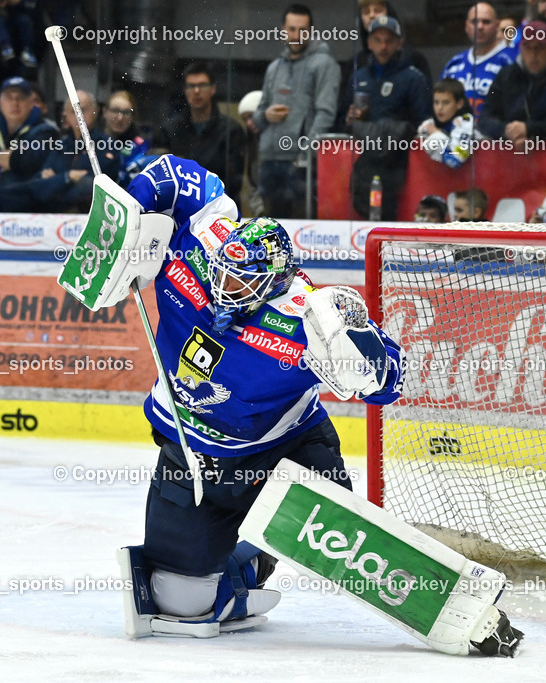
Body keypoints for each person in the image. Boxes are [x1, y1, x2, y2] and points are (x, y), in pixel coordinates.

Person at [116, 154, 405, 635]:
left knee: (324, 529)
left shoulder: (306, 318)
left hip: (284, 453)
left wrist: (363, 359)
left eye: (241, 282)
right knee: (179, 602)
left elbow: (389, 384)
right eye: (223, 274)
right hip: (191, 454)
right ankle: (232, 570)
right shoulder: (202, 251)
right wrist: (130, 211)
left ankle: (261, 549)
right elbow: (173, 173)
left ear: (273, 281)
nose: (224, 288)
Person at [254, 3, 339, 218]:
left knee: (300, 235)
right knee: (266, 234)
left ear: (311, 31)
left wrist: (306, 154)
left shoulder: (324, 64)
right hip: (268, 160)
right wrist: (266, 115)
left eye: (303, 30)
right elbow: (258, 115)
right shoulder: (274, 67)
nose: (297, 35)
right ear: (283, 30)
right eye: (291, 29)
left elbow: (325, 114)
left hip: (300, 164)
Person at [342, 16, 431, 220]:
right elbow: (342, 121)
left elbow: (423, 122)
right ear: (368, 43)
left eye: (389, 40)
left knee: (393, 219)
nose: (383, 46)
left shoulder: (414, 78)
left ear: (399, 43)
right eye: (377, 40)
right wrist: (351, 118)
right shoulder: (358, 77)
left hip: (398, 162)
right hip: (364, 162)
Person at [476, 20, 546, 146]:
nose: (533, 54)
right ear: (521, 48)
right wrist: (506, 130)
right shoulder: (505, 76)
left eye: (539, 48)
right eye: (528, 48)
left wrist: (531, 130)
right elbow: (485, 119)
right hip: (511, 153)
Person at [152, 61, 246, 202]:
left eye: (202, 85)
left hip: (217, 208)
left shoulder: (231, 131)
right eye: (191, 86)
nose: (196, 91)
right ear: (185, 90)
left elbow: (233, 183)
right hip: (178, 208)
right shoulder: (169, 129)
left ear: (212, 89)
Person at [0, 76, 57, 212]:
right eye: (9, 97)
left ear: (31, 102)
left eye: (21, 98)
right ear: (0, 102)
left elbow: (28, 162)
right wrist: (6, 160)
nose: (15, 103)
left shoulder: (45, 132)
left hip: (27, 212)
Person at [26, 89, 120, 213]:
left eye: (83, 109)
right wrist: (68, 177)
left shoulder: (108, 145)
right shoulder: (60, 146)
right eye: (73, 111)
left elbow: (93, 188)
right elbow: (37, 187)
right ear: (65, 115)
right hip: (56, 220)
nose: (78, 115)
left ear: (95, 111)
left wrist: (55, 184)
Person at [439, 2, 516, 118]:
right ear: (466, 26)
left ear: (497, 25)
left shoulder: (512, 61)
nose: (480, 27)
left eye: (486, 22)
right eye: (474, 22)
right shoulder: (454, 63)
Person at [418, 78, 478, 168]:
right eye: (436, 102)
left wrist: (436, 134)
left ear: (459, 104)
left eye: (446, 103)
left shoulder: (466, 123)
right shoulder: (431, 122)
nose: (440, 108)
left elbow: (455, 160)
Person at [0, 0, 39, 75]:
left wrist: (16, 3)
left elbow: (32, 9)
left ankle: (27, 51)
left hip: (18, 26)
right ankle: (6, 48)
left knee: (24, 21)